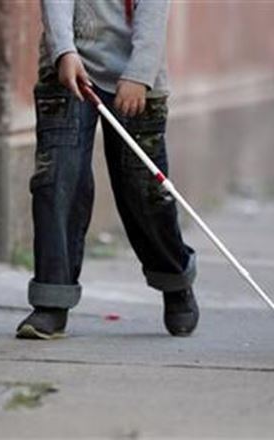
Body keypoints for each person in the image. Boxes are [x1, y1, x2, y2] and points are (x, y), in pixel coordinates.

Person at [16, 0, 199, 340]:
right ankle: (52, 301)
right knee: (58, 179)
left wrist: (139, 74)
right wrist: (63, 51)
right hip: (69, 68)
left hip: (136, 76)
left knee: (143, 191)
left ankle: (174, 280)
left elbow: (153, 15)